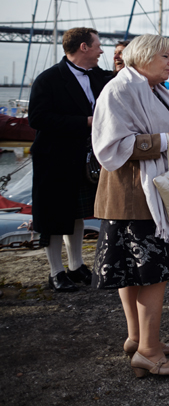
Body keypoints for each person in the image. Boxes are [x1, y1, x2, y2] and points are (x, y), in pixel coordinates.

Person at [91, 34, 169, 377]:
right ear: (143, 57)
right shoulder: (120, 90)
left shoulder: (156, 90)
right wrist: (167, 140)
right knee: (151, 274)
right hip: (133, 196)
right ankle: (149, 351)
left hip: (143, 194)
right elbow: (110, 146)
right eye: (166, 56)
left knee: (133, 272)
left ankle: (138, 339)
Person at [29, 27, 111, 292]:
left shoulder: (99, 76)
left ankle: (76, 267)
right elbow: (38, 119)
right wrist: (85, 121)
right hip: (54, 159)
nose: (101, 51)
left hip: (85, 157)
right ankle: (56, 273)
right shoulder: (48, 79)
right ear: (84, 47)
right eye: (97, 45)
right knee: (53, 217)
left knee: (75, 216)